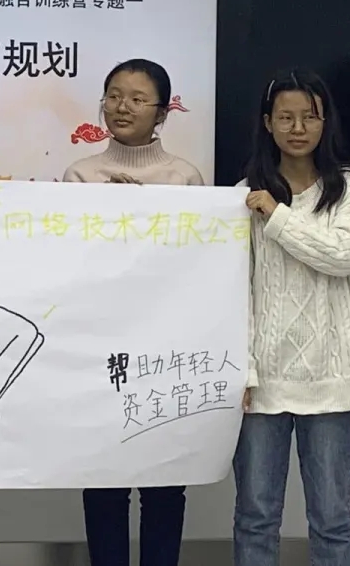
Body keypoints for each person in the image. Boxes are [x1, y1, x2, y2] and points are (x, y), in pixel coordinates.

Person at [63, 58, 203, 566]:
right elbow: (66, 262)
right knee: (104, 481)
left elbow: (197, 265)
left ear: (162, 113)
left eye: (138, 99)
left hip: (166, 348)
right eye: (114, 95)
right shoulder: (80, 175)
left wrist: (145, 216)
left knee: (165, 482)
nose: (122, 107)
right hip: (99, 346)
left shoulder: (185, 178)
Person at [233, 70, 350, 566]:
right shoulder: (245, 194)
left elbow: (343, 255)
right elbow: (238, 292)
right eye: (286, 117)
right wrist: (244, 370)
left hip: (333, 377)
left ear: (325, 122)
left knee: (333, 519)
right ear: (267, 123)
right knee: (255, 517)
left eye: (310, 117)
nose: (298, 128)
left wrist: (276, 216)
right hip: (264, 381)